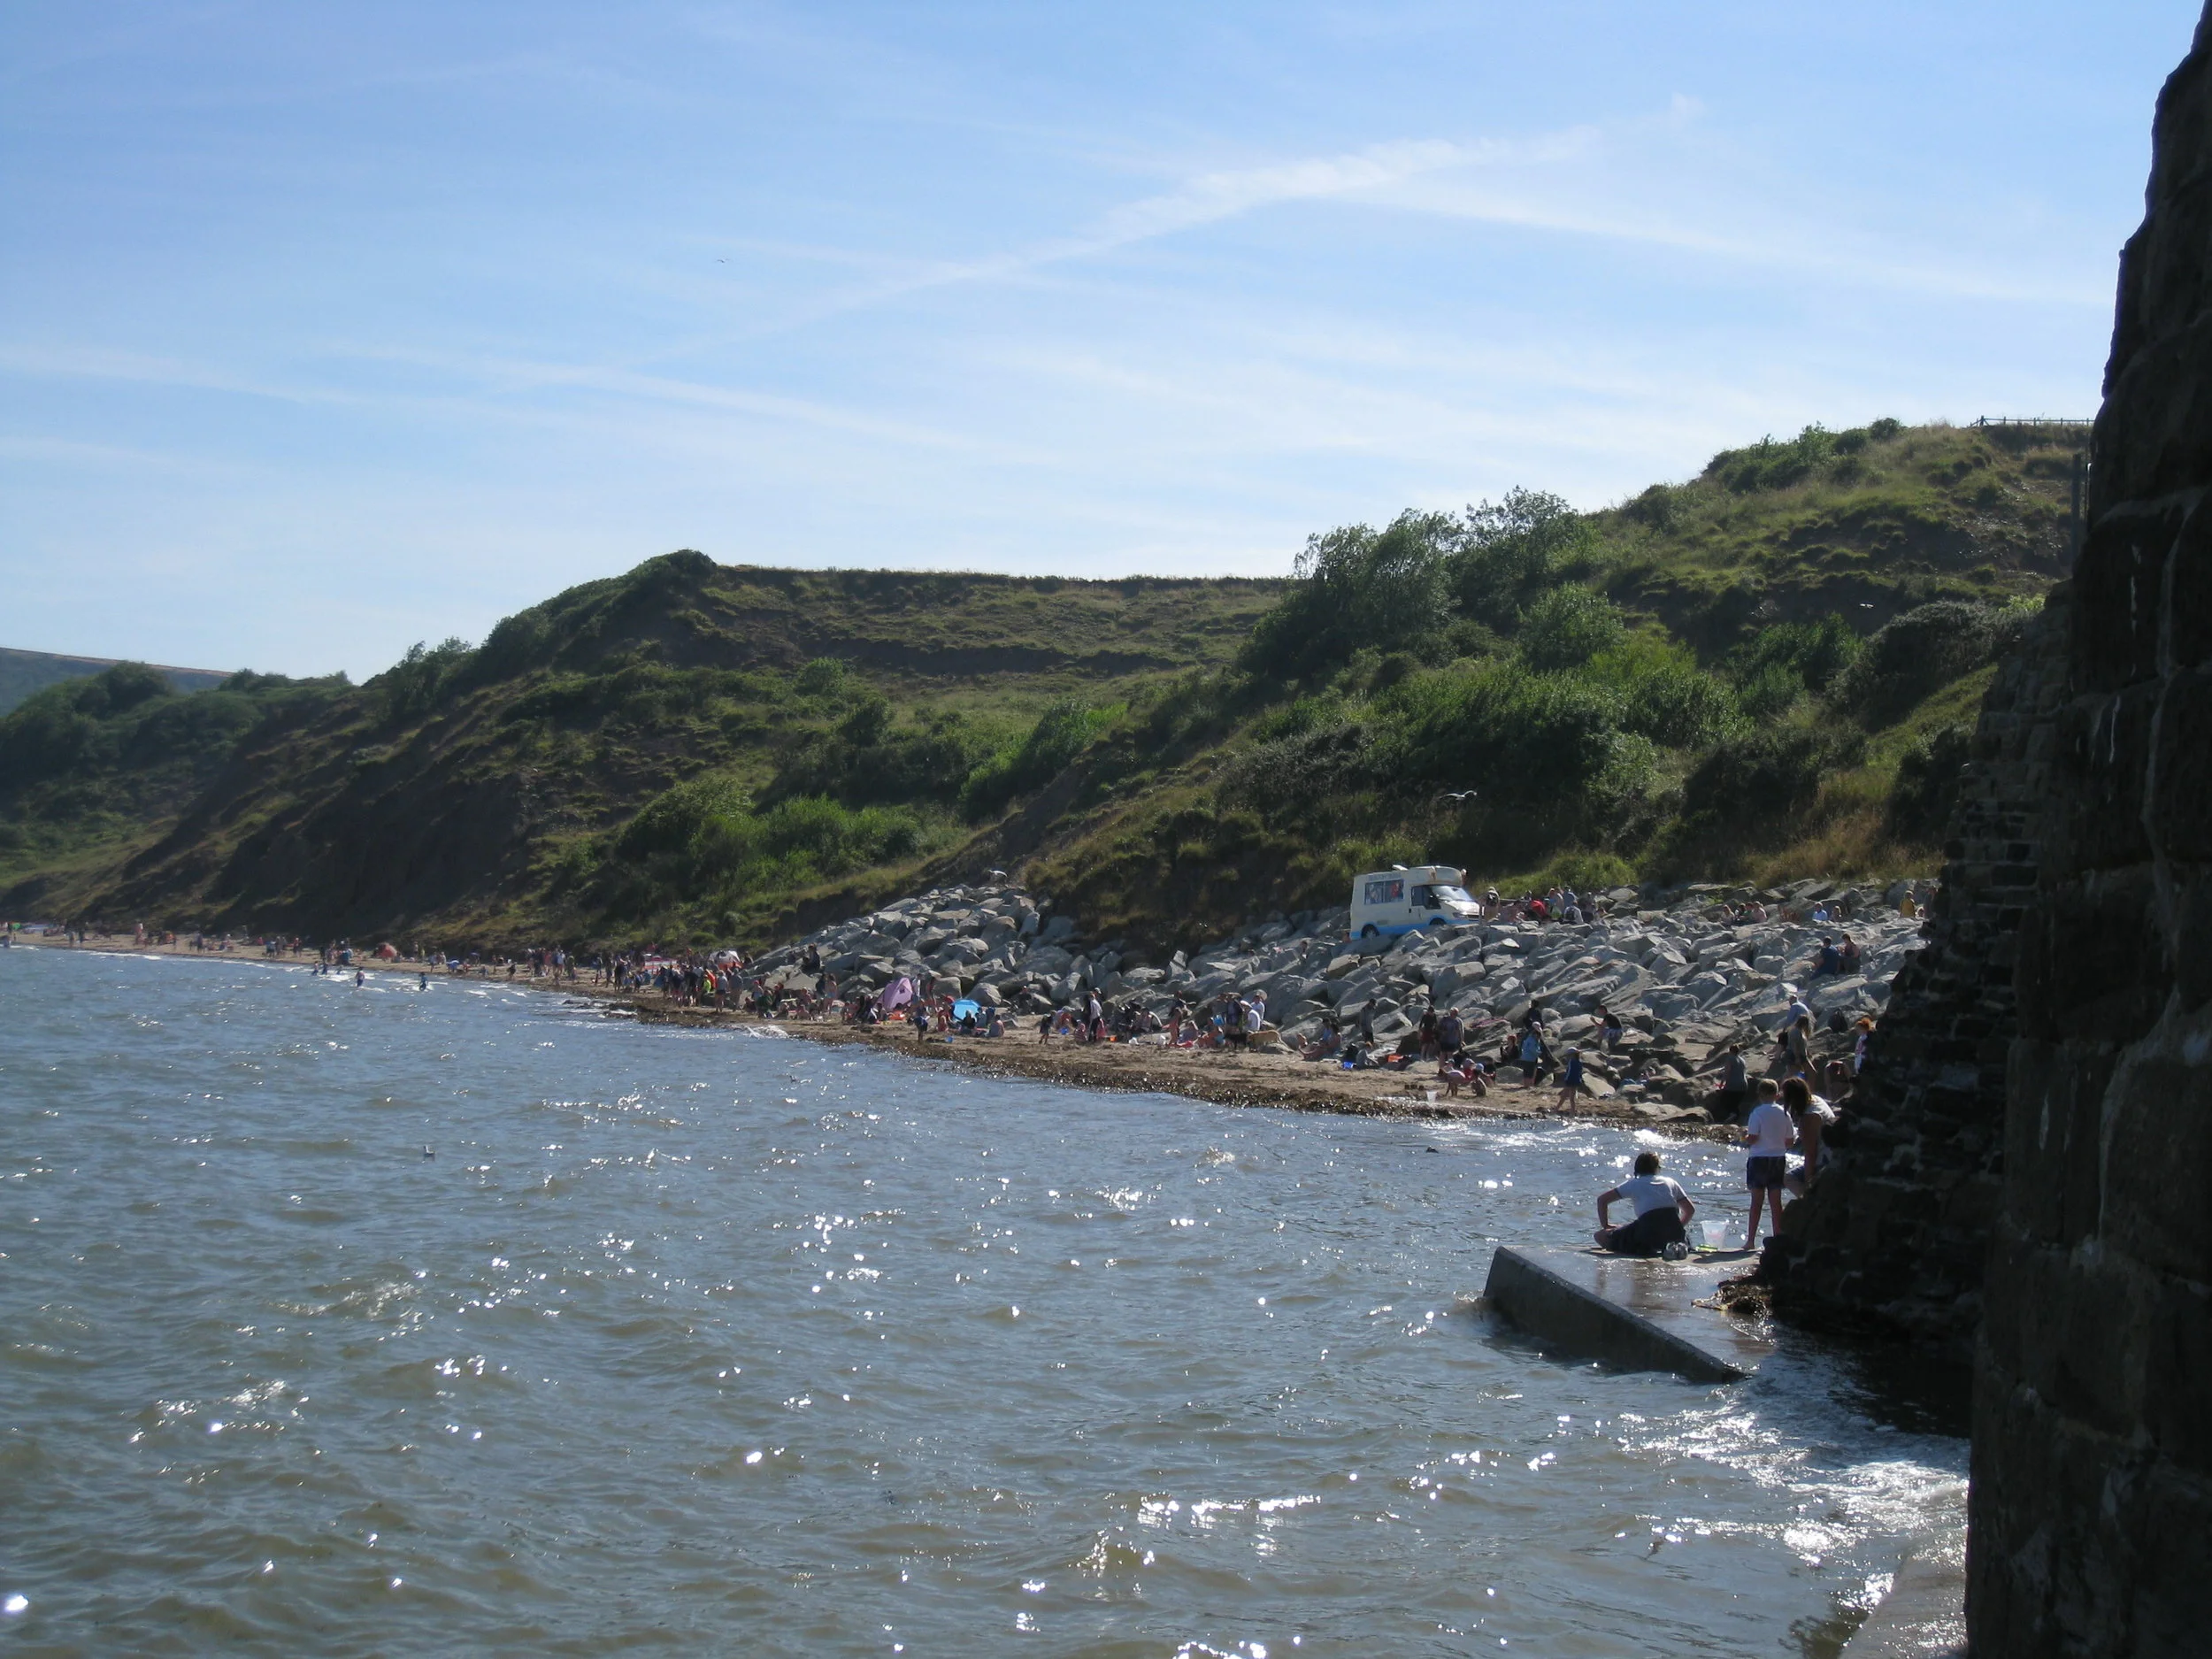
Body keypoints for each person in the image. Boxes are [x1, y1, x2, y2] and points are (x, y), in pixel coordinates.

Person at [1594, 1151, 1696, 1256]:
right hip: (1674, 1233)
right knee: (1667, 1235)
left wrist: (1605, 1225)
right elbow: (1690, 1210)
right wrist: (1677, 1226)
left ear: (1637, 1168)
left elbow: (1602, 1200)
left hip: (1647, 1231)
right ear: (1657, 1168)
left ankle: (1644, 1247)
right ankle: (1673, 1246)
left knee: (1599, 1236)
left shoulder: (1634, 1183)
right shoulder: (1670, 1182)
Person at [1741, 1079, 1795, 1248]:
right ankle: (1777, 1237)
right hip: (1778, 1159)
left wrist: (1743, 1136)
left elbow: (1753, 1138)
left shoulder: (1757, 1113)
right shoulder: (1784, 1113)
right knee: (1776, 1202)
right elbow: (1790, 1142)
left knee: (1756, 1202)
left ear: (1760, 1095)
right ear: (1777, 1094)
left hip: (1759, 1159)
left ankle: (1750, 1241)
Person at [1783, 1075, 1838, 1195]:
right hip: (1835, 1154)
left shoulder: (1809, 1118)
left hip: (1824, 1161)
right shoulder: (1817, 1100)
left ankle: (1807, 1202)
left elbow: (1811, 1154)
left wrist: (1809, 1182)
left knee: (1789, 1178)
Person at [1555, 1044, 1586, 1111]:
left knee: (1563, 1097)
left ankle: (1555, 1110)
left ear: (1572, 1055)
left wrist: (1566, 1080)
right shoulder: (1579, 1062)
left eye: (1569, 1055)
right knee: (1572, 1098)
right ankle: (1572, 1113)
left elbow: (1569, 1072)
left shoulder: (1571, 1062)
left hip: (1570, 1081)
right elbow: (1580, 1073)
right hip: (1576, 1081)